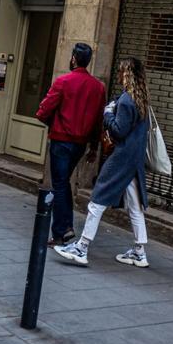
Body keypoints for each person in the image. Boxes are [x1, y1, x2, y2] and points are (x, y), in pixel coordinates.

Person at [55, 57, 152, 268]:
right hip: (134, 162)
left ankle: (81, 247)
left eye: (121, 71)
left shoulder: (127, 101)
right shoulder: (142, 101)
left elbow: (118, 131)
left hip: (121, 160)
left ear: (127, 75)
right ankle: (139, 252)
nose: (118, 75)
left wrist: (107, 114)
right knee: (135, 208)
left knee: (96, 202)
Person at [35, 43, 106, 246]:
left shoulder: (63, 81)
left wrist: (55, 124)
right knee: (63, 182)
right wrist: (93, 147)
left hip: (61, 141)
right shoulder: (98, 87)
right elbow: (98, 121)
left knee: (59, 183)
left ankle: (62, 230)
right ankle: (64, 227)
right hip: (80, 144)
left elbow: (42, 111)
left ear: (74, 58)